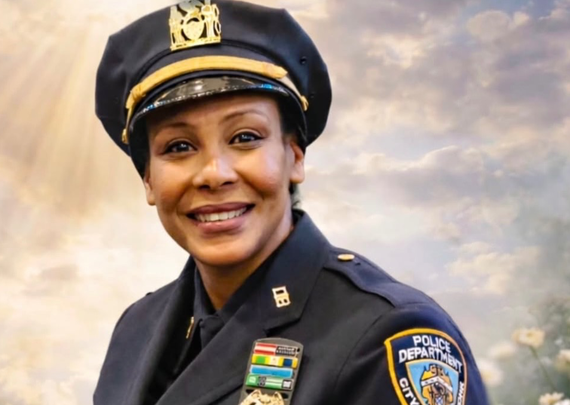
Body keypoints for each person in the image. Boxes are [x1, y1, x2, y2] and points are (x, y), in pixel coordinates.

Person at [93, 1, 489, 404]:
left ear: (294, 157)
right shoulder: (135, 330)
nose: (214, 173)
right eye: (179, 146)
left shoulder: (389, 337)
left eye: (245, 137)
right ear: (148, 179)